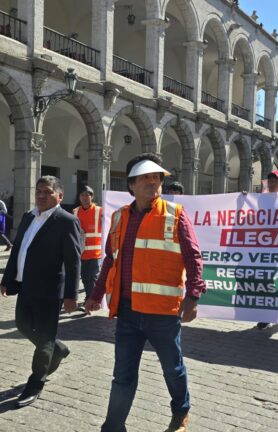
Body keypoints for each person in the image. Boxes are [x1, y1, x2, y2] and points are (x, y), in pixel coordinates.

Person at [85, 153, 206, 432]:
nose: (153, 182)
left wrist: (193, 296)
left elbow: (193, 256)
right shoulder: (118, 218)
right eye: (146, 177)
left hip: (163, 314)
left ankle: (181, 412)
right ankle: (113, 426)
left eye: (157, 178)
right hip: (127, 313)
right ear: (131, 185)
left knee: (172, 370)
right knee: (122, 377)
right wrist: (95, 294)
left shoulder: (175, 214)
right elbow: (110, 260)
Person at [0, 176, 81, 408]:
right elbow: (18, 250)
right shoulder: (28, 216)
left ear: (59, 196)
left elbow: (73, 261)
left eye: (47, 192)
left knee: (44, 338)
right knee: (23, 325)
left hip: (49, 290)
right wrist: (8, 279)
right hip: (25, 285)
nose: (41, 196)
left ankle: (35, 382)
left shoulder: (66, 221)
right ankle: (58, 349)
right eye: (38, 192)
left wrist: (71, 295)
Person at [256, 170, 278, 330]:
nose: (273, 183)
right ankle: (267, 314)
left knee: (273, 281)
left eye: (276, 181)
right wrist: (243, 199)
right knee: (263, 280)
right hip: (263, 247)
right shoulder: (260, 199)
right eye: (270, 181)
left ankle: (273, 313)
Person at [73, 185, 102, 307]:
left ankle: (91, 300)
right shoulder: (75, 212)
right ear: (79, 197)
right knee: (85, 279)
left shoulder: (100, 211)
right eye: (82, 195)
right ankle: (90, 298)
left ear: (92, 196)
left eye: (87, 195)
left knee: (93, 278)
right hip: (81, 253)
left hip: (96, 253)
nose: (85, 198)